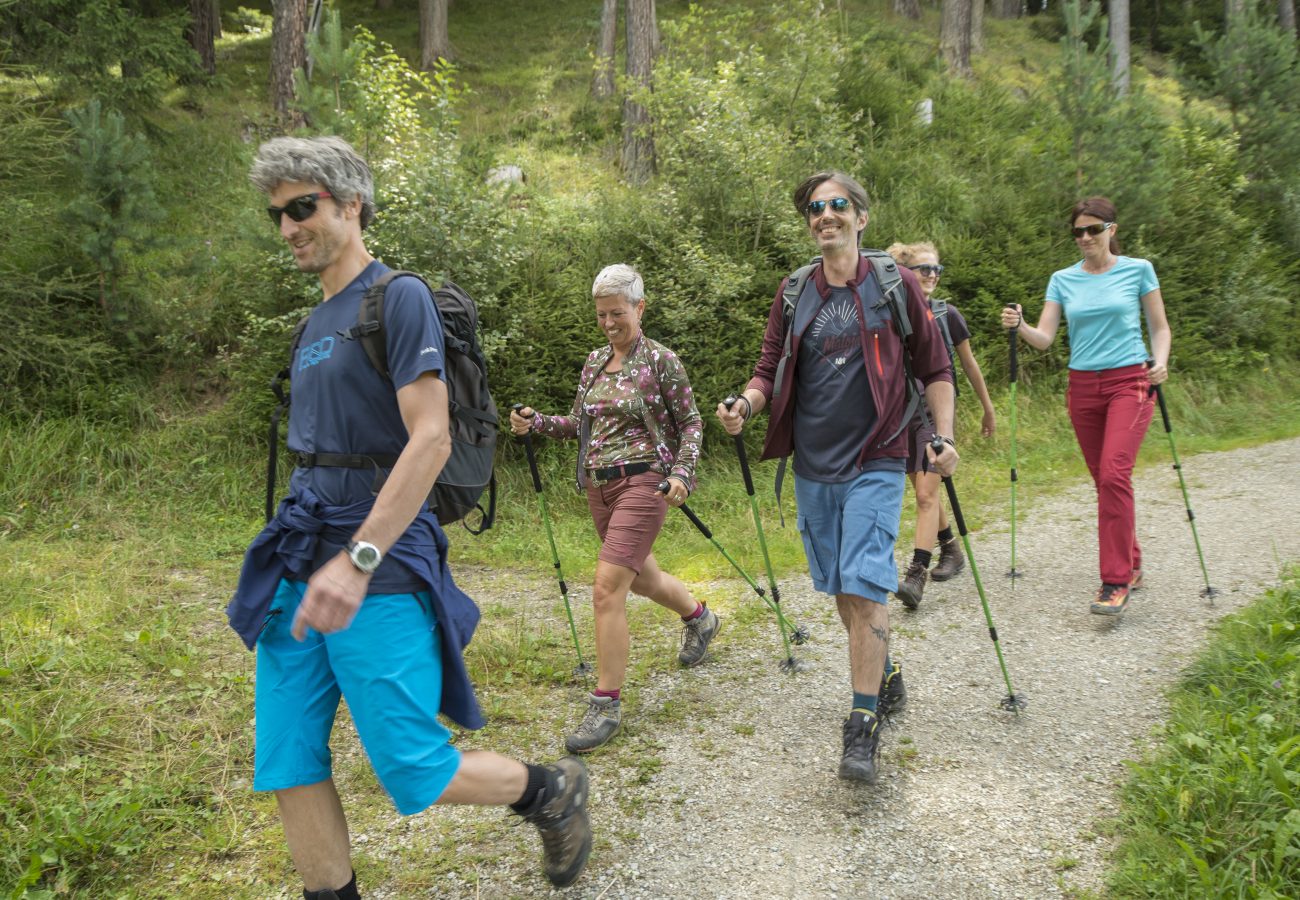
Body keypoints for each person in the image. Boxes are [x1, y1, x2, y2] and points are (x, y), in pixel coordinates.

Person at [226, 136, 591, 898]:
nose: (290, 226)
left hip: (379, 557)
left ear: (350, 204)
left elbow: (430, 437)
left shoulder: (397, 298)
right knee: (287, 757)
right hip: (300, 550)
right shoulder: (313, 323)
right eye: (277, 215)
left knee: (411, 765)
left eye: (304, 207)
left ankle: (547, 791)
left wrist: (357, 560)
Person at [716, 172, 958, 785]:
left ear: (861, 217)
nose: (826, 215)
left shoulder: (892, 284)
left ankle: (861, 725)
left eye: (837, 206)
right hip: (813, 464)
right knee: (842, 591)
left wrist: (943, 438)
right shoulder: (796, 290)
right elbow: (768, 366)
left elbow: (935, 366)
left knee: (868, 581)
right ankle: (886, 670)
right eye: (816, 209)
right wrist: (745, 404)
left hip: (878, 455)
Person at [510, 264, 717, 754]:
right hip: (597, 488)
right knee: (640, 577)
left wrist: (682, 474)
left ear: (640, 309)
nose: (608, 323)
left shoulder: (661, 361)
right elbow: (578, 425)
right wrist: (536, 421)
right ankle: (700, 617)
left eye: (617, 313)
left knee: (606, 589)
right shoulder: (593, 362)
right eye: (601, 314)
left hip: (645, 482)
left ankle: (606, 702)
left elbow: (690, 421)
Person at [1001, 196, 1171, 616]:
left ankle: (1114, 581)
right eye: (1078, 231)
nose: (1085, 237)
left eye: (1093, 229)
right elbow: (1045, 337)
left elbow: (1159, 327)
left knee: (1114, 473)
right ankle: (1131, 562)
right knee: (1105, 481)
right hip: (1082, 387)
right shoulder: (1063, 279)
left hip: (1130, 381)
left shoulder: (1138, 270)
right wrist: (1019, 325)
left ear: (1111, 229)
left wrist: (1161, 362)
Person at [884, 241, 997, 609]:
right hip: (901, 412)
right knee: (923, 489)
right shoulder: (891, 312)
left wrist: (987, 408)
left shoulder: (948, 314)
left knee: (925, 495)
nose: (931, 275)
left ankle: (916, 573)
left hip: (933, 414)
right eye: (923, 269)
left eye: (936, 269)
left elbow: (969, 365)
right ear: (905, 273)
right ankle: (950, 548)